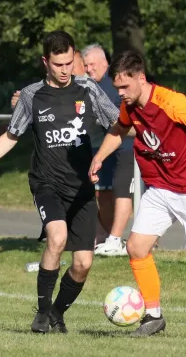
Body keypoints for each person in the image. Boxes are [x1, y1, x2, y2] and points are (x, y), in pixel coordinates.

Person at [0, 31, 119, 333]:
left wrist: (148, 126)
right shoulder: (32, 95)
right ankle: (42, 313)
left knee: (83, 263)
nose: (65, 70)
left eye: (69, 63)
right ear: (46, 62)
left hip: (82, 187)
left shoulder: (88, 89)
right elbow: (11, 136)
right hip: (47, 184)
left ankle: (57, 312)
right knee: (56, 238)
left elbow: (119, 124)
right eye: (58, 64)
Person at [89, 50, 186, 339]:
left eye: (124, 86)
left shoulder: (172, 102)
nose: (120, 93)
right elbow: (119, 130)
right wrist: (99, 157)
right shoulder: (130, 106)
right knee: (136, 247)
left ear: (141, 78)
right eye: (117, 87)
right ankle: (153, 316)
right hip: (159, 188)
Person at [82, 44, 134, 256]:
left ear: (105, 63)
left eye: (92, 64)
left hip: (127, 146)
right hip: (107, 147)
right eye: (86, 66)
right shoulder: (92, 86)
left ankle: (116, 239)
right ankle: (109, 238)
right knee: (103, 193)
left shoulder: (112, 85)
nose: (88, 69)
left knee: (122, 191)